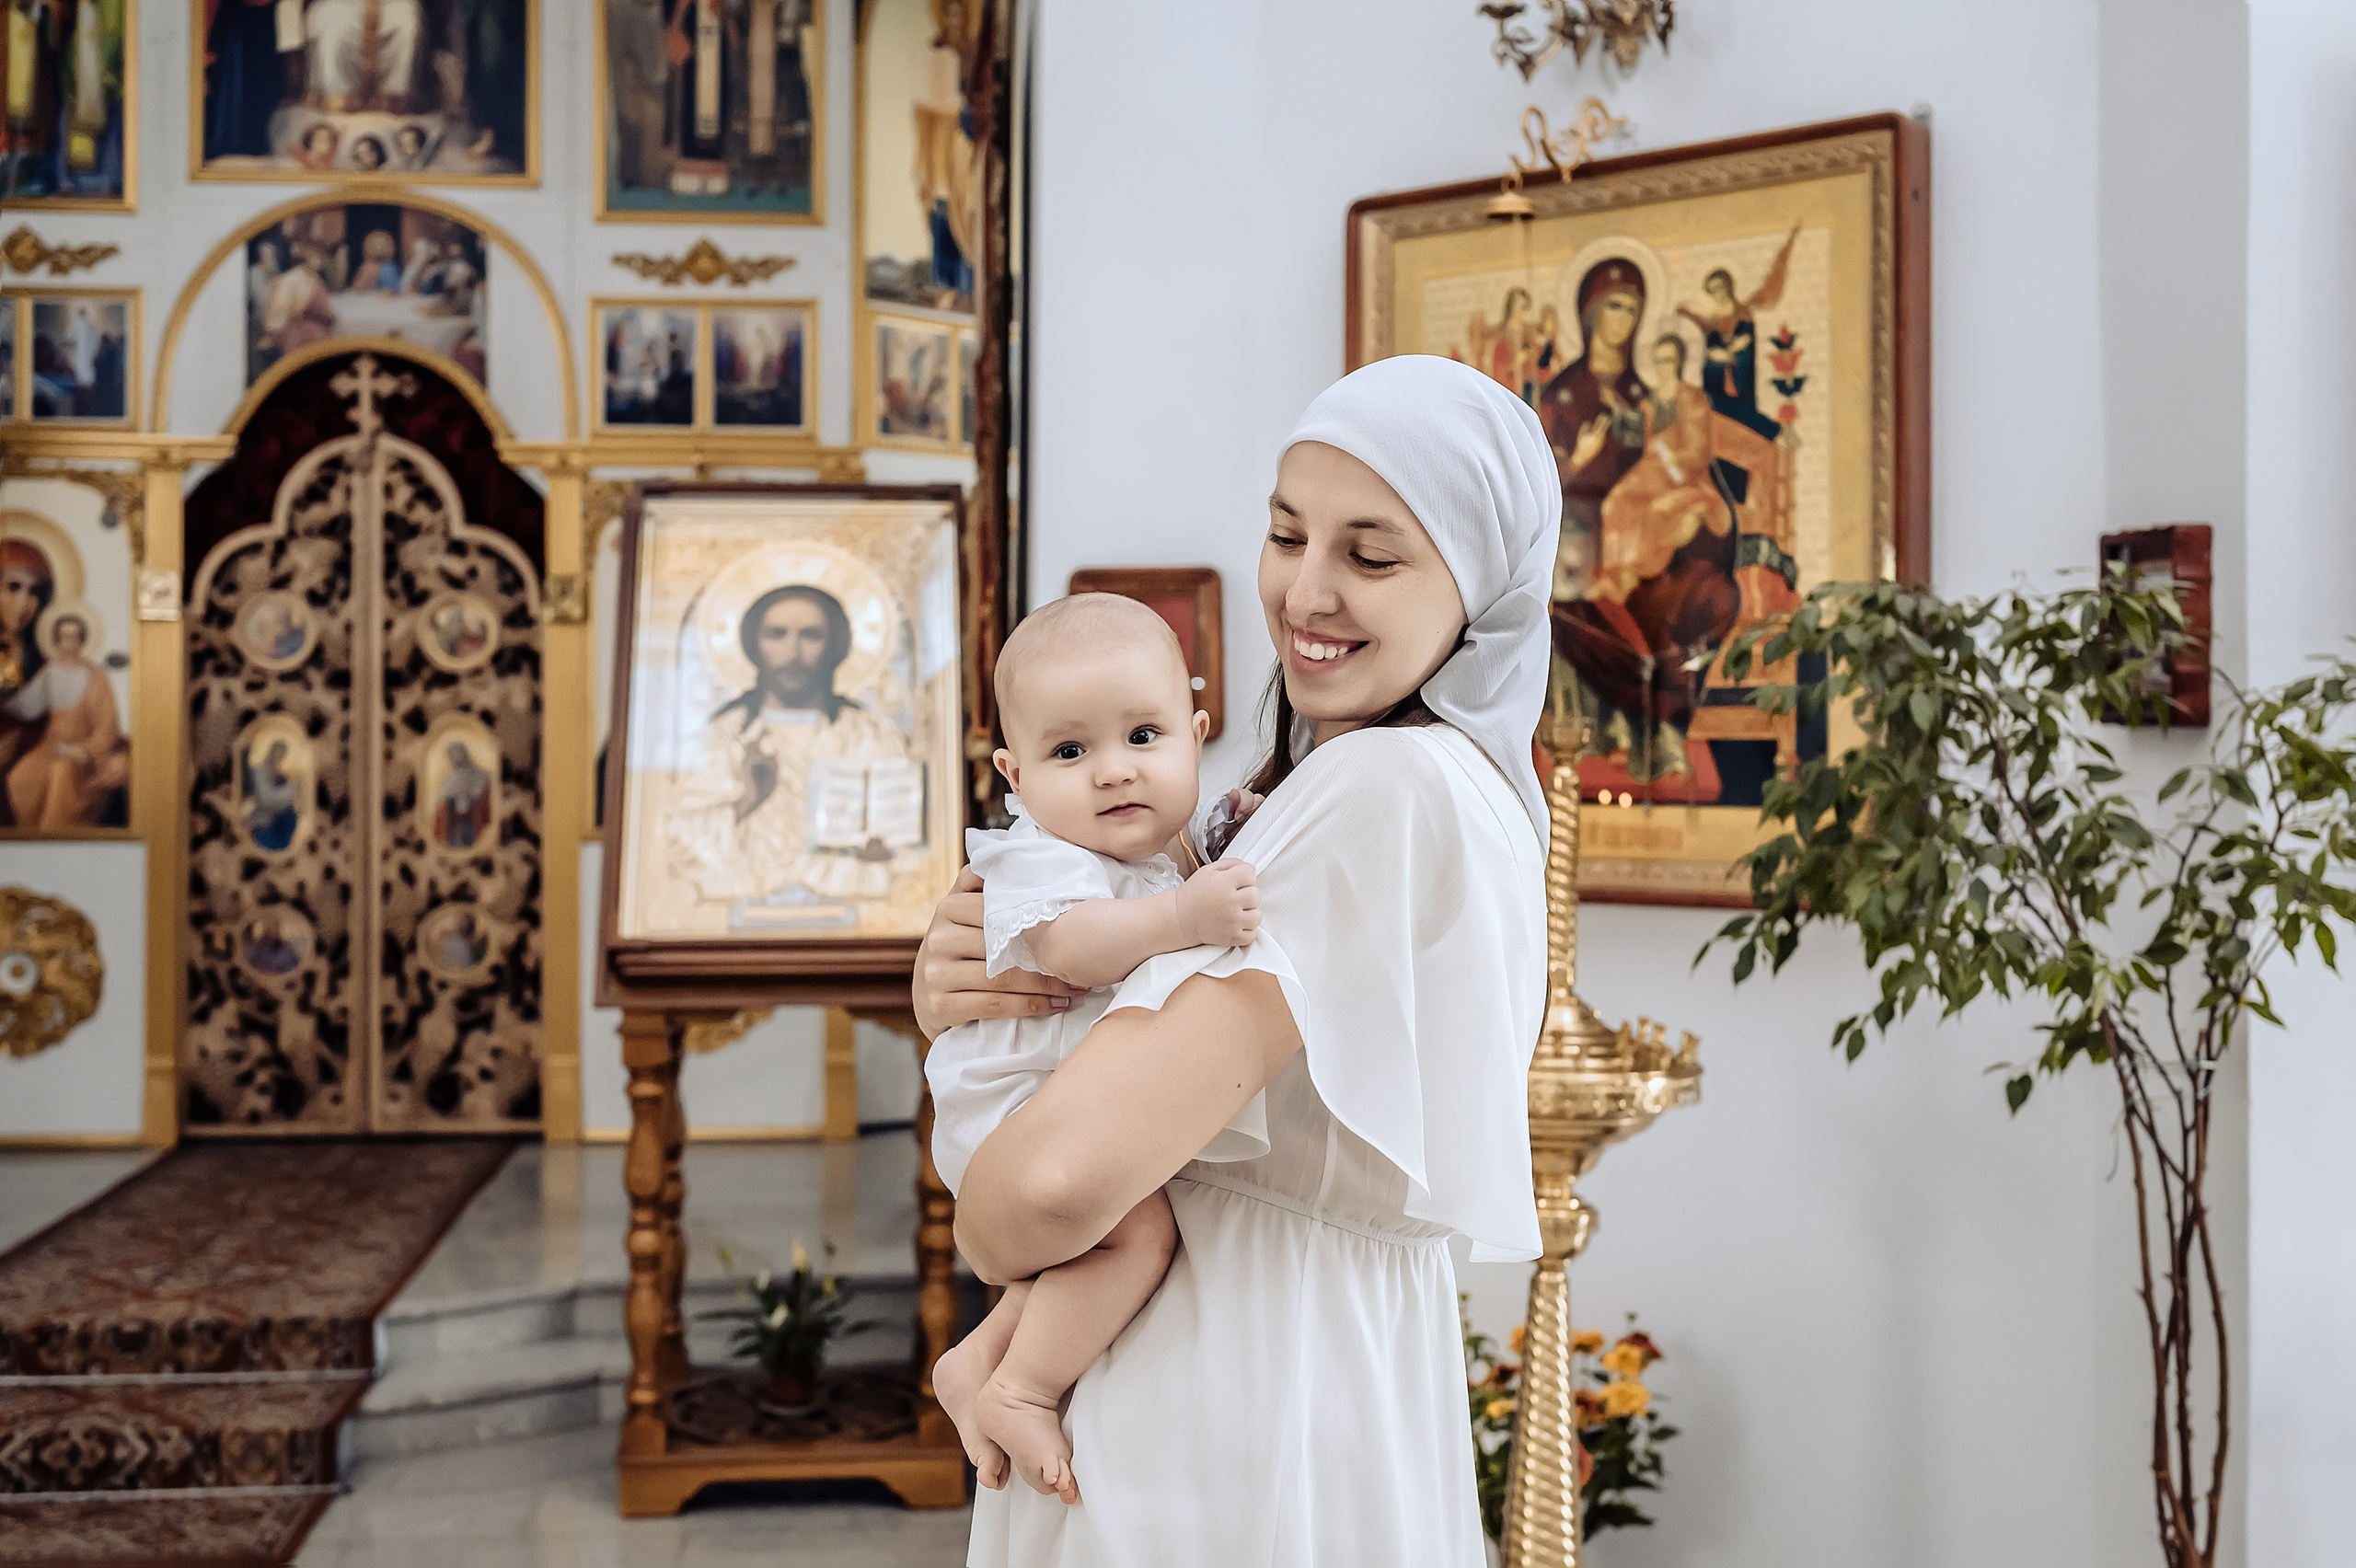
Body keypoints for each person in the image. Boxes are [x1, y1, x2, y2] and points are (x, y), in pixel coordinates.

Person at [914, 354, 1553, 1565]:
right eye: (1284, 533)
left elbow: (1043, 1194)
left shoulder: (1385, 785)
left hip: (1222, 1386)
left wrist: (990, 1226)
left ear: (1478, 582)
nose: (1306, 592)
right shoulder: (1359, 786)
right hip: (1289, 1363)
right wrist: (954, 984)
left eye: (1370, 556)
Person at [924, 594, 1267, 1501]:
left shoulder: (1161, 847)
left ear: (1197, 735)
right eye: (1070, 752)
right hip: (1012, 1111)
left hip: (1061, 1101)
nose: (1114, 772)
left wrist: (1221, 840)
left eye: (1144, 737)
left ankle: (976, 1363)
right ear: (1015, 771)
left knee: (1101, 1241)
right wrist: (1185, 915)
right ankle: (1023, 1388)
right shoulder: (1038, 857)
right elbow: (1076, 948)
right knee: (1134, 1232)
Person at [664, 584, 918, 917]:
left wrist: (882, 847)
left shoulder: (871, 735)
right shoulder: (722, 738)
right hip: (743, 915)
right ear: (753, 643)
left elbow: (907, 848)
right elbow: (678, 847)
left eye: (811, 635)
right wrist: (747, 800)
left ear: (835, 645)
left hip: (852, 913)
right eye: (776, 634)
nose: (792, 652)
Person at [4, 608, 126, 829]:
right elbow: (26, 707)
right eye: (63, 637)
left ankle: (53, 836)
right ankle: (31, 837)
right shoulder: (50, 671)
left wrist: (86, 749)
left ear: (82, 640)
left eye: (73, 637)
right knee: (18, 778)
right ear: (56, 640)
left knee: (60, 774)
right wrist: (6, 683)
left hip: (85, 755)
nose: (68, 643)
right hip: (50, 747)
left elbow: (107, 727)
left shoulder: (96, 677)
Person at [433, 738, 494, 848]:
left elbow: (487, 802)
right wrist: (450, 801)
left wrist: (471, 800)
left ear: (464, 753)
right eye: (450, 754)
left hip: (474, 823)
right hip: (454, 826)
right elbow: (441, 808)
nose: (453, 757)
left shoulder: (482, 776)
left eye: (456, 752)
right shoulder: (448, 780)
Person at [244, 737, 302, 852]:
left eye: (281, 756)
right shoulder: (259, 772)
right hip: (266, 823)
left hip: (273, 827)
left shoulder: (282, 779)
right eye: (277, 754)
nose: (278, 759)